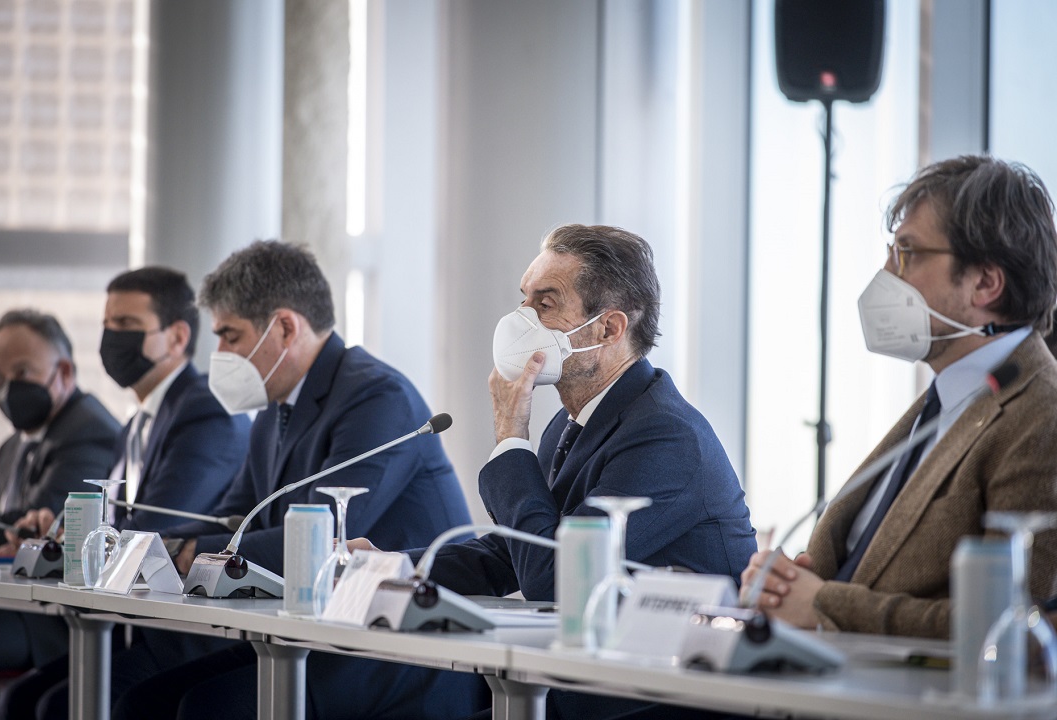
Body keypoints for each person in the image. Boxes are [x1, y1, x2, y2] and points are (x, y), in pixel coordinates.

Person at [117, 225, 756, 720]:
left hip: (651, 697)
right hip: (574, 677)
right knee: (166, 697)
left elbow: (558, 577)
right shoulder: (575, 422)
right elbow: (509, 553)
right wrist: (397, 566)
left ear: (609, 328)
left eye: (545, 303)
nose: (521, 320)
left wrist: (510, 438)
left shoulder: (664, 434)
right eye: (523, 300)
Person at [112, 240, 475, 720]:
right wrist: (162, 545)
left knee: (208, 707)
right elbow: (233, 518)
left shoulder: (377, 397)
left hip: (403, 646)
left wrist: (190, 551)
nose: (219, 353)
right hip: (314, 626)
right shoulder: (274, 408)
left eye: (230, 335)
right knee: (143, 700)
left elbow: (320, 537)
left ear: (284, 327)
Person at [741, 155, 1057, 638]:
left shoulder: (1041, 415)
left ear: (985, 283)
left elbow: (1012, 627)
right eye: (892, 251)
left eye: (908, 253)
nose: (887, 272)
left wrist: (825, 605)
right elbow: (861, 573)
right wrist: (785, 586)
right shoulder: (945, 398)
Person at [0, 267, 253, 720]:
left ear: (177, 337)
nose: (111, 337)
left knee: (55, 707)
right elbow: (114, 522)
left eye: (127, 325)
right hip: (127, 623)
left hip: (184, 635)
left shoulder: (206, 410)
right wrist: (57, 531)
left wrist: (79, 540)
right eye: (107, 324)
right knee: (22, 699)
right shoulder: (137, 422)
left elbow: (155, 531)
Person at [0, 310, 119, 716]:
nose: (7, 388)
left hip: (50, 617)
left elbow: (42, 522)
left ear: (65, 372)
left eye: (22, 372)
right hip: (7, 601)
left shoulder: (88, 430)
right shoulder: (15, 444)